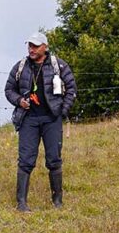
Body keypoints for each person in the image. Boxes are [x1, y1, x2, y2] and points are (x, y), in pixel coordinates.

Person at [4, 31, 77, 212]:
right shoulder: (20, 66)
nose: (31, 49)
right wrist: (19, 101)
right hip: (28, 119)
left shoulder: (58, 65)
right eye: (29, 45)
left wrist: (62, 111)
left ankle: (57, 202)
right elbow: (8, 89)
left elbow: (72, 89)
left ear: (45, 47)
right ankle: (21, 203)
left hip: (52, 119)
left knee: (54, 160)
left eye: (35, 46)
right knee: (26, 161)